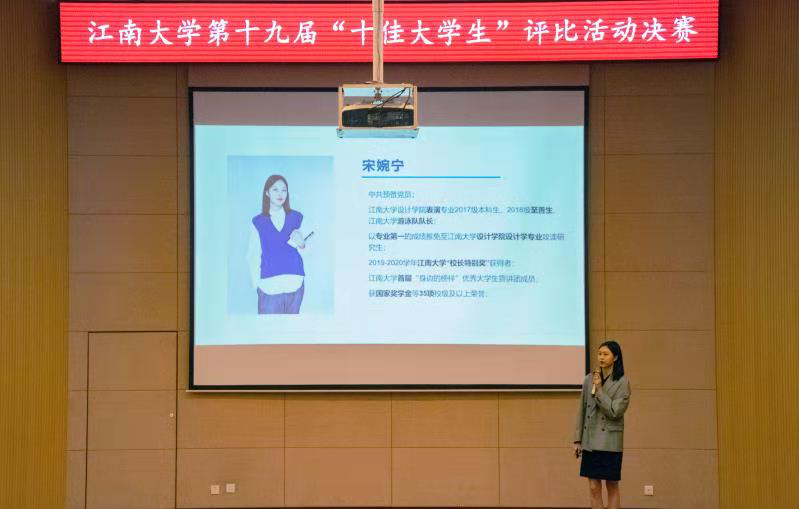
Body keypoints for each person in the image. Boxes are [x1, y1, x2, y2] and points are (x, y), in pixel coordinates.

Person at [573, 340, 631, 509]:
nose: (601, 357)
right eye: (599, 354)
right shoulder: (589, 379)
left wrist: (599, 390)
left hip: (610, 441)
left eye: (605, 354)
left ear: (615, 357)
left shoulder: (623, 382)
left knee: (611, 485)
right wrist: (577, 439)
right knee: (593, 486)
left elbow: (615, 411)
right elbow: (582, 409)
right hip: (590, 441)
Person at [246, 174, 307, 314]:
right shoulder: (258, 222)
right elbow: (253, 255)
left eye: (284, 190)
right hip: (269, 288)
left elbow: (306, 249)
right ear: (267, 193)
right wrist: (258, 285)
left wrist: (302, 244)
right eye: (275, 189)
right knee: (268, 327)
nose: (280, 194)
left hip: (295, 285)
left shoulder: (297, 217)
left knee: (293, 327)